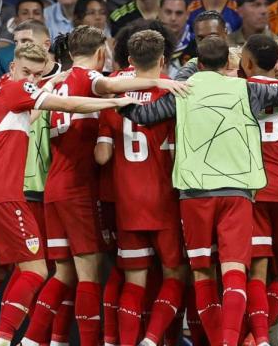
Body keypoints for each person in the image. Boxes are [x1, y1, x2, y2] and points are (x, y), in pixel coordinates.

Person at [119, 35, 278, 346]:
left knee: (202, 274)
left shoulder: (184, 90)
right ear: (228, 63)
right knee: (235, 272)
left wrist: (116, 101)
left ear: (199, 63)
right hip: (237, 193)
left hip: (194, 194)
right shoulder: (246, 89)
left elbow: (143, 115)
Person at [20, 26, 186, 346]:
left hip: (55, 186)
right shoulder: (93, 82)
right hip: (87, 190)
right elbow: (101, 145)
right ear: (100, 54)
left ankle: (37, 339)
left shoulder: (57, 83)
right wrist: (157, 81)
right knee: (91, 275)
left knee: (64, 274)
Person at [93, 30, 186, 346]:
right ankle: (151, 339)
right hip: (165, 199)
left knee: (133, 281)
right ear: (163, 60)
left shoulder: (114, 99)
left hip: (126, 200)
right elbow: (177, 152)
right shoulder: (173, 95)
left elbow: (102, 156)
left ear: (130, 61)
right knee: (175, 275)